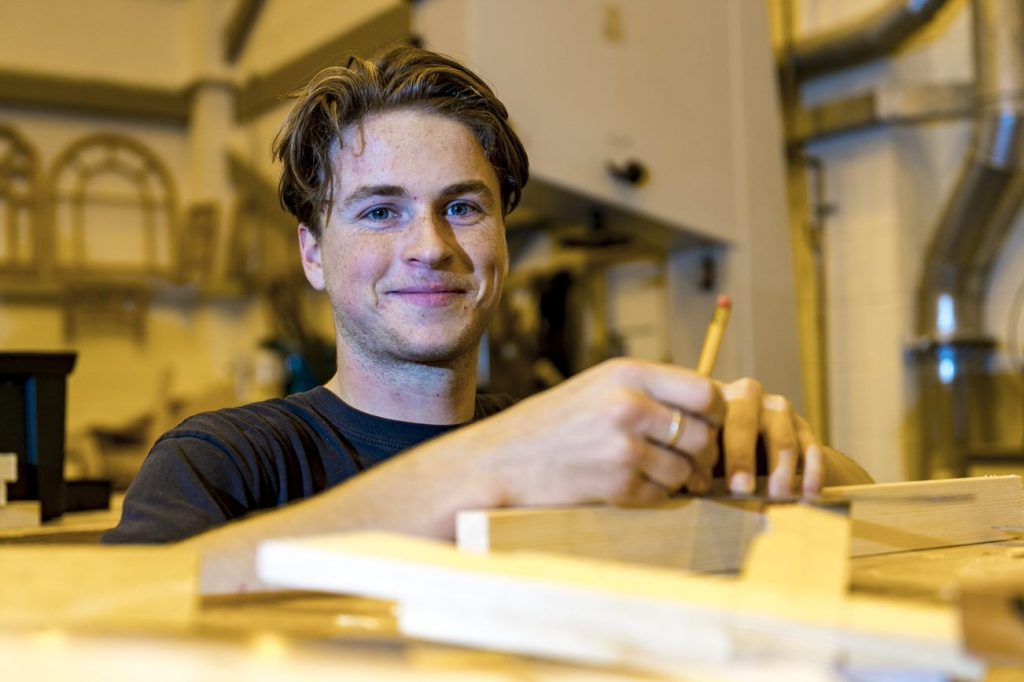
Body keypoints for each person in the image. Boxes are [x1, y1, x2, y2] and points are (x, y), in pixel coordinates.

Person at [104, 45, 872, 593]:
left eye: (462, 207)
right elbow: (107, 606)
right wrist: (494, 466)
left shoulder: (581, 444)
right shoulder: (227, 460)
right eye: (380, 212)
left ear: (501, 234)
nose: (431, 248)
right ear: (313, 253)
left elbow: (870, 507)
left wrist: (786, 452)